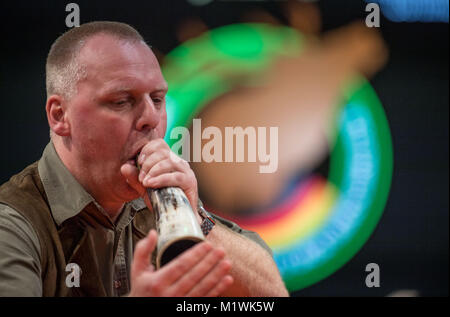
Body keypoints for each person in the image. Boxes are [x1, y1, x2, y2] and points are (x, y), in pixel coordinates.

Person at [0, 21, 288, 297]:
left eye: (158, 99)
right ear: (60, 116)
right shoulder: (12, 223)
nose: (151, 118)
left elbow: (271, 294)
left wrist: (196, 218)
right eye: (122, 101)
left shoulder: (160, 201)